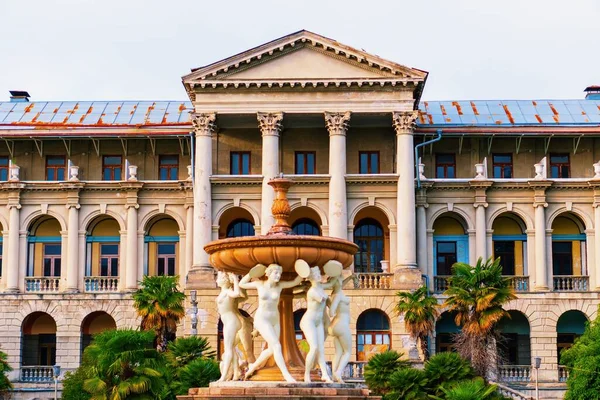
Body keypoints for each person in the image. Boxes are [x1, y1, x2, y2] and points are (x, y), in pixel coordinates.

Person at [239, 263, 303, 382]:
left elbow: (295, 282)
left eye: (279, 273)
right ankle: (286, 375)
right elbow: (241, 284)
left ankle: (253, 366)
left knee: (271, 349)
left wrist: (303, 269)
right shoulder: (259, 284)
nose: (278, 275)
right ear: (268, 273)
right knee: (277, 346)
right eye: (275, 273)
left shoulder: (280, 286)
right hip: (262, 319)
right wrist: (252, 273)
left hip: (274, 319)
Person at [300, 266, 334, 383]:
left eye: (319, 273)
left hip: (318, 322)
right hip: (308, 321)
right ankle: (306, 374)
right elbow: (322, 299)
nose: (320, 275)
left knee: (321, 349)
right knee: (314, 347)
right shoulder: (313, 291)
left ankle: (325, 375)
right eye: (317, 274)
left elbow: (331, 284)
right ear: (311, 277)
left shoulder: (320, 288)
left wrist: (343, 277)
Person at [215, 271, 243, 381]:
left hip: (231, 321)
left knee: (228, 350)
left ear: (225, 280)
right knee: (231, 348)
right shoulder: (223, 292)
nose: (217, 279)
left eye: (219, 277)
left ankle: (223, 377)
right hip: (227, 322)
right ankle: (236, 373)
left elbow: (237, 293)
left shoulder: (228, 291)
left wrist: (235, 278)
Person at [327, 274, 354, 383]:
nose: (342, 281)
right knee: (347, 352)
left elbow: (342, 283)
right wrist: (334, 309)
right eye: (340, 280)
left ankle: (334, 376)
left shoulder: (334, 293)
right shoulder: (337, 295)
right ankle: (338, 372)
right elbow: (331, 312)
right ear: (336, 282)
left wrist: (351, 277)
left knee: (338, 352)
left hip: (334, 326)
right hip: (341, 324)